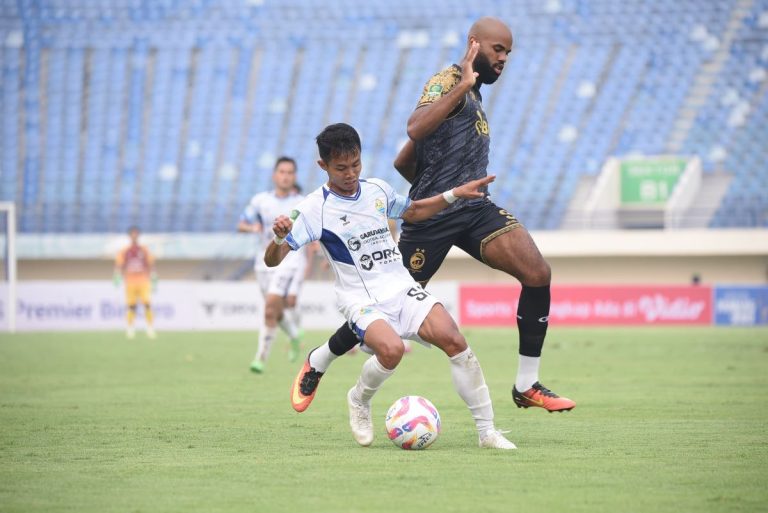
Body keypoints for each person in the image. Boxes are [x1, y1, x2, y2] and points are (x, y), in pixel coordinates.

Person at [293, 17, 575, 414]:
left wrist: (441, 176)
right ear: (475, 44)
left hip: (475, 209)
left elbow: (405, 158)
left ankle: (527, 384)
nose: (504, 58)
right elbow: (414, 127)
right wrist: (434, 189)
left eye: (509, 52)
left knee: (537, 273)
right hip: (432, 219)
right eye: (499, 50)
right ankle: (319, 360)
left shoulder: (474, 94)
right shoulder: (449, 80)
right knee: (386, 312)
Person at [269, 123, 515, 449]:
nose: (350, 173)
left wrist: (454, 195)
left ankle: (487, 433)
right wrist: (278, 237)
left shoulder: (377, 190)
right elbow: (274, 259)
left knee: (455, 341)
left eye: (355, 164)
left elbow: (412, 211)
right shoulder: (316, 209)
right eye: (341, 168)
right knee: (392, 350)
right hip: (359, 299)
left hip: (400, 287)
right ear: (323, 166)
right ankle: (358, 399)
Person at [238, 157, 308, 372]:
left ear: (294, 177)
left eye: (290, 173)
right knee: (274, 313)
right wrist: (253, 229)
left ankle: (260, 358)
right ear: (274, 175)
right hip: (263, 262)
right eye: (282, 172)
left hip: (289, 261)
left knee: (270, 307)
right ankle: (295, 335)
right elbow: (241, 223)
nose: (285, 176)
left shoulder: (303, 203)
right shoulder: (260, 201)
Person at [114, 226, 157, 339]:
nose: (134, 236)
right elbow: (119, 264)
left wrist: (153, 276)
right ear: (129, 236)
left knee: (147, 304)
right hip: (130, 282)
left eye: (136, 234)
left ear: (138, 235)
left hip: (143, 281)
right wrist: (117, 275)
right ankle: (130, 328)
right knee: (131, 306)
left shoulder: (144, 249)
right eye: (132, 234)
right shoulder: (125, 251)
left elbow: (151, 263)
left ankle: (150, 328)